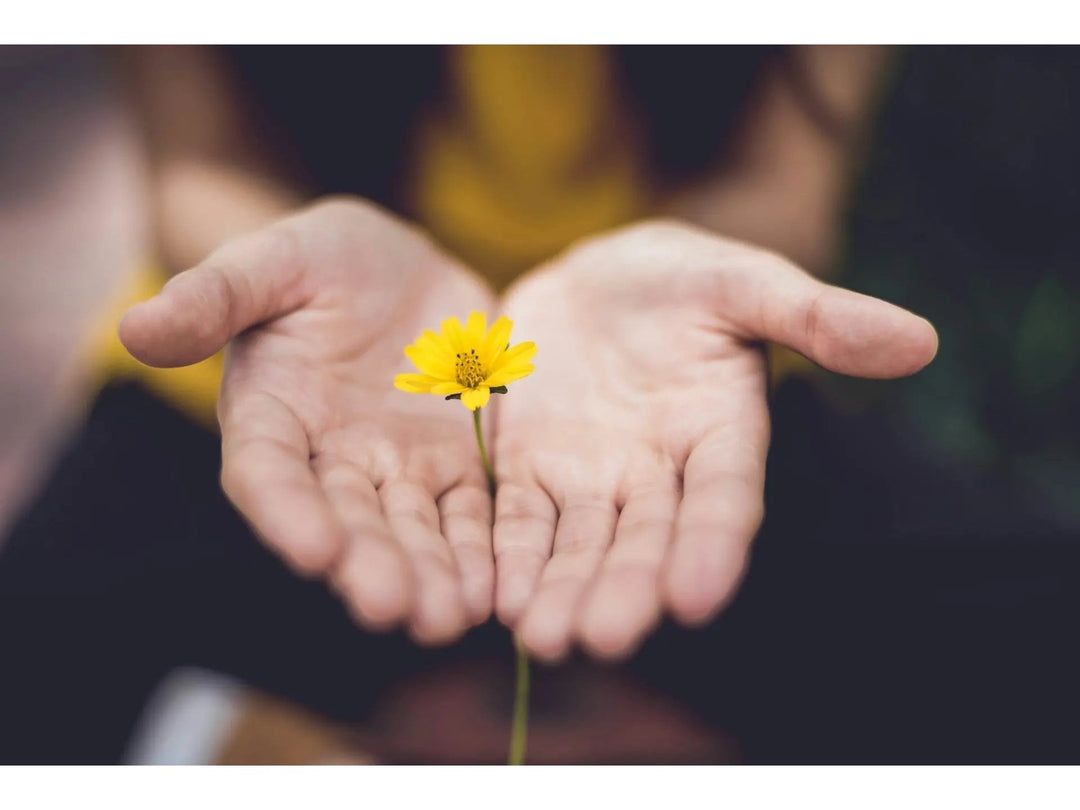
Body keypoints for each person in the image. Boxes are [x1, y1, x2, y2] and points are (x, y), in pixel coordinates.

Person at [2, 46, 1077, 764]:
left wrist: (698, 264)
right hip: (289, 389)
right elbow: (200, 158)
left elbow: (779, 190)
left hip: (663, 394)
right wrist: (269, 271)